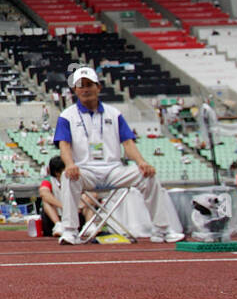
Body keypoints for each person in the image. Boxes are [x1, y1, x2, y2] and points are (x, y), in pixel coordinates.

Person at [53, 67, 184, 245]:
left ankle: (161, 229)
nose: (85, 89)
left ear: (98, 87)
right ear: (75, 90)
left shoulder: (114, 114)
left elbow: (128, 143)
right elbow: (64, 145)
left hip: (114, 169)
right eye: (80, 86)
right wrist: (69, 164)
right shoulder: (66, 116)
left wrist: (141, 163)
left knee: (148, 175)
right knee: (69, 177)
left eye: (89, 84)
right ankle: (70, 231)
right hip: (85, 171)